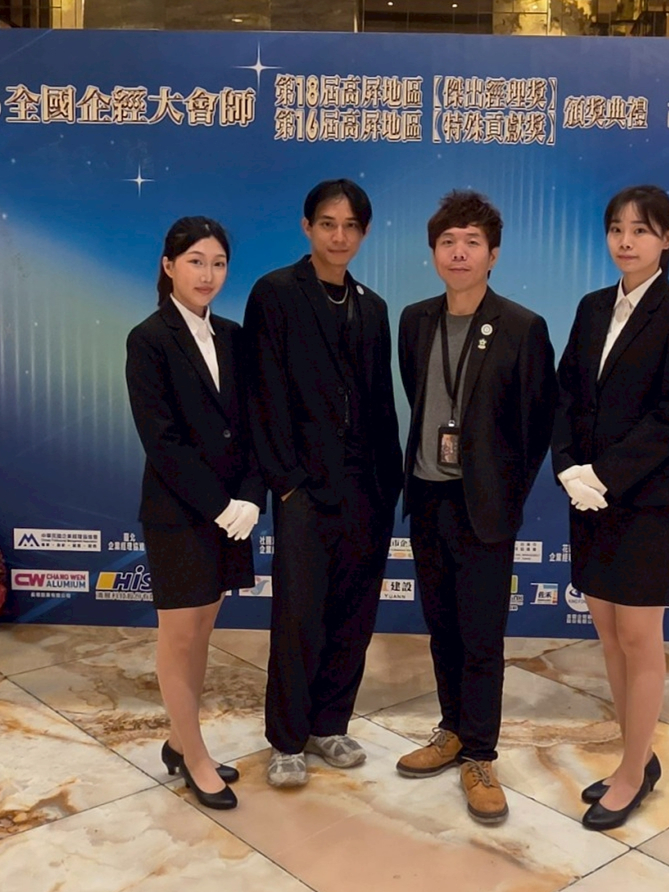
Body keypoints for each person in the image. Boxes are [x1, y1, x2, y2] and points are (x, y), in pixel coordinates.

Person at [395, 190, 557, 825]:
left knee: (482, 635)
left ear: (493, 253)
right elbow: (417, 396)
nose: (458, 253)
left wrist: (505, 497)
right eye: (447, 242)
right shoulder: (415, 321)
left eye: (471, 242)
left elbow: (536, 427)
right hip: (427, 494)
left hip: (483, 505)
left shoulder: (521, 326)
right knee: (442, 626)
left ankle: (482, 755)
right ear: (433, 252)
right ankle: (452, 730)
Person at [552, 185, 669, 831]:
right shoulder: (592, 307)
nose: (626, 240)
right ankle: (636, 758)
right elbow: (566, 393)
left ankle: (631, 774)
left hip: (643, 500)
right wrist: (568, 468)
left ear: (666, 239)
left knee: (641, 639)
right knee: (609, 637)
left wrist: (604, 475)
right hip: (586, 500)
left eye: (641, 230)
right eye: (617, 228)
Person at [243, 179, 403, 788]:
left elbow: (381, 403)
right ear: (307, 226)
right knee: (299, 614)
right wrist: (286, 482)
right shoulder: (277, 293)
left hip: (367, 488)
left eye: (351, 226)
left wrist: (389, 484)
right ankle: (287, 739)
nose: (340, 236)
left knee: (353, 613)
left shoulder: (373, 306)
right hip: (304, 489)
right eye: (328, 224)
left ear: (364, 232)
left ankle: (330, 724)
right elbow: (262, 393)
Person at [125, 216, 265, 811]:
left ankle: (180, 743)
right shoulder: (149, 339)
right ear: (169, 266)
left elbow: (256, 424)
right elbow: (163, 442)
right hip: (180, 512)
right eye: (195, 261)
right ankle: (196, 758)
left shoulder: (233, 336)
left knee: (204, 628)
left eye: (218, 263)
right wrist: (221, 505)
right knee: (179, 636)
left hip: (232, 511)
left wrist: (250, 497)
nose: (208, 274)